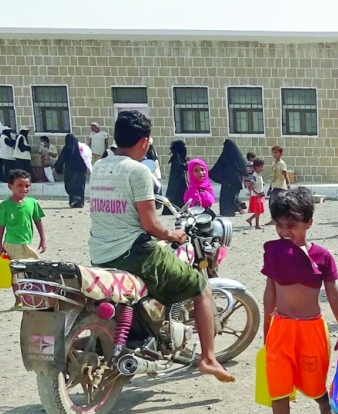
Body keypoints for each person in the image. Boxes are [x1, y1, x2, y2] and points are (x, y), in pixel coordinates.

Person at [88, 110, 233, 382]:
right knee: (201, 288)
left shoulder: (99, 167)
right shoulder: (138, 171)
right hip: (134, 254)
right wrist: (173, 235)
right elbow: (150, 225)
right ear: (144, 141)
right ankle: (209, 359)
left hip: (100, 253)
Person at [261, 188, 338, 414]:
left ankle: (324, 405)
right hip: (282, 328)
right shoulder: (272, 250)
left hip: (312, 330)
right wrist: (266, 327)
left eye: (293, 225)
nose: (285, 231)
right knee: (278, 388)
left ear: (309, 223)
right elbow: (270, 289)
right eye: (280, 224)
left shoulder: (322, 256)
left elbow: (334, 295)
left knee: (312, 384)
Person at [0, 169, 46, 260]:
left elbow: (38, 220)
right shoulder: (5, 206)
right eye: (19, 185)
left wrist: (43, 240)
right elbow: (0, 226)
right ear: (10, 186)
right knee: (18, 270)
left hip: (28, 243)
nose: (24, 189)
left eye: (27, 186)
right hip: (12, 244)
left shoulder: (32, 203)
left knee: (34, 268)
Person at [209, 139, 248, 216]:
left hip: (228, 180)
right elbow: (243, 168)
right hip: (237, 180)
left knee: (227, 197)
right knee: (233, 195)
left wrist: (210, 173)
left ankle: (230, 210)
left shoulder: (225, 156)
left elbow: (218, 166)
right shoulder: (237, 156)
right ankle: (238, 208)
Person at [52, 134, 87, 208]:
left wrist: (57, 167)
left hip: (71, 170)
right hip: (81, 170)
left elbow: (62, 159)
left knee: (70, 186)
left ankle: (74, 200)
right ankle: (80, 202)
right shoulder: (81, 149)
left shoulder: (67, 148)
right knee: (80, 186)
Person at [166, 140, 188, 207]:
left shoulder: (178, 155)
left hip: (178, 178)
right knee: (176, 193)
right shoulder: (176, 155)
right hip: (177, 180)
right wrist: (187, 166)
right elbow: (179, 165)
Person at [246, 159, 266, 229]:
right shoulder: (254, 176)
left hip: (260, 195)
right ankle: (257, 225)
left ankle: (250, 219)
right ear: (256, 167)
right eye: (261, 166)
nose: (262, 168)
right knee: (258, 210)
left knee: (259, 210)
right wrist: (257, 193)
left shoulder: (259, 175)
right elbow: (251, 185)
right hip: (256, 196)